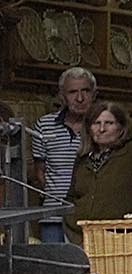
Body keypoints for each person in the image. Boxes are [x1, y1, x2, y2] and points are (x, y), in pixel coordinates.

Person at [63, 104, 132, 223]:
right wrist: (71, 221)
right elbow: (71, 196)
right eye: (96, 123)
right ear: (88, 128)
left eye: (109, 123)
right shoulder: (83, 157)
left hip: (123, 234)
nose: (102, 129)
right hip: (80, 233)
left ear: (121, 127)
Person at [32, 66, 96, 218]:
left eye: (85, 91)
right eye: (73, 92)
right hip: (53, 214)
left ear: (94, 94)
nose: (80, 98)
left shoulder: (103, 126)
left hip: (90, 215)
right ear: (62, 96)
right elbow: (40, 171)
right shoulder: (44, 126)